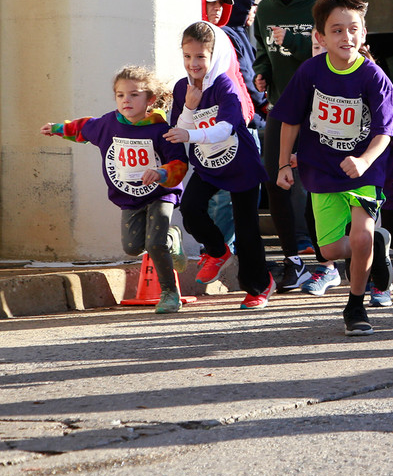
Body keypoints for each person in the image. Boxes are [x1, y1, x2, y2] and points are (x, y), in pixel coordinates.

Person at [271, 0, 393, 336]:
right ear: (320, 36)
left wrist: (364, 161)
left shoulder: (373, 76)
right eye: (336, 30)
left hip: (364, 170)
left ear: (363, 33)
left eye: (353, 29)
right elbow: (290, 119)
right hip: (321, 169)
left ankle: (355, 305)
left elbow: (385, 132)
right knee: (330, 249)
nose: (346, 36)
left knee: (360, 235)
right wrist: (283, 165)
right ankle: (376, 244)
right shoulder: (310, 71)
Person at [42, 67, 189, 314]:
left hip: (160, 193)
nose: (126, 100)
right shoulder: (108, 124)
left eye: (134, 95)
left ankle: (169, 293)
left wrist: (162, 173)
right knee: (132, 246)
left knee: (154, 243)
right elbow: (82, 127)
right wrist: (57, 128)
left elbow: (179, 163)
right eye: (120, 95)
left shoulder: (160, 128)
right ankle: (171, 237)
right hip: (130, 198)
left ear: (150, 100)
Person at [166, 22, 273, 309]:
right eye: (187, 57)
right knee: (190, 209)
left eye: (200, 56)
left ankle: (258, 286)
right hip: (208, 164)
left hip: (241, 165)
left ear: (214, 56)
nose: (193, 64)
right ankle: (217, 250)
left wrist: (190, 134)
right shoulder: (182, 88)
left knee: (247, 227)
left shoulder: (225, 85)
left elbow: (225, 128)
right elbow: (178, 127)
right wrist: (189, 107)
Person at [252, 0, 325, 293]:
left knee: (317, 184)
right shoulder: (265, 9)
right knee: (275, 179)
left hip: (320, 107)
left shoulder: (321, 4)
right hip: (283, 105)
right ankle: (292, 260)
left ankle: (328, 261)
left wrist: (293, 44)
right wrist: (262, 72)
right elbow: (263, 51)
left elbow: (330, 53)